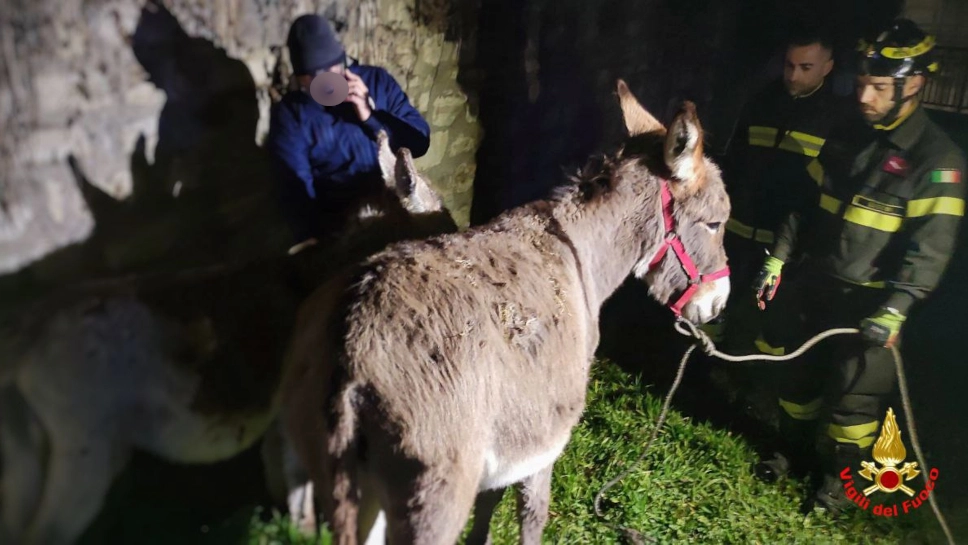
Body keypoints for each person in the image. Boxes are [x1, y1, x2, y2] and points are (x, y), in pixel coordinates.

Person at [752, 18, 965, 513]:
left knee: (854, 405)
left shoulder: (938, 161)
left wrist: (897, 307)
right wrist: (779, 259)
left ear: (913, 85)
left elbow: (930, 250)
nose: (864, 97)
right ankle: (789, 452)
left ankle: (837, 482)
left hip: (871, 303)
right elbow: (805, 204)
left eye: (878, 87)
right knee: (798, 381)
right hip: (815, 286)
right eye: (862, 83)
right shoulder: (848, 134)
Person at [709, 30, 856, 354]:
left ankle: (761, 378)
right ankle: (705, 364)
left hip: (789, 240)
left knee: (774, 320)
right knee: (718, 304)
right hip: (739, 226)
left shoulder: (838, 118)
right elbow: (735, 160)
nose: (793, 75)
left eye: (805, 67)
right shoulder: (761, 100)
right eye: (789, 65)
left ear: (827, 67)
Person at [266, 14, 430, 253]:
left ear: (342, 59)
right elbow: (294, 187)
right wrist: (316, 239)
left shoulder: (377, 81)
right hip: (346, 226)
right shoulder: (292, 114)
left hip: (400, 206)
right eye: (312, 78)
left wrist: (370, 115)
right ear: (300, 78)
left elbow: (420, 141)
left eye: (331, 70)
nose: (325, 82)